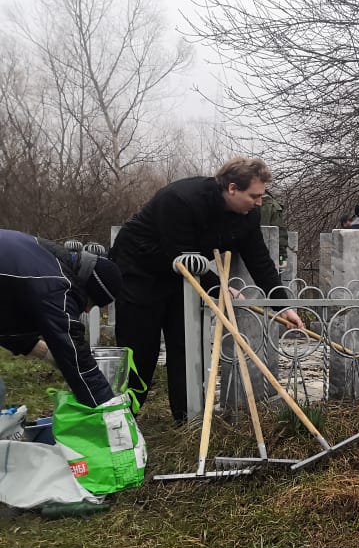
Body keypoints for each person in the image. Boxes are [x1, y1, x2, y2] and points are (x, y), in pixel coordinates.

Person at [110, 156, 304, 422]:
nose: (260, 202)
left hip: (182, 278)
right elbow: (181, 255)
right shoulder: (180, 200)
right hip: (140, 271)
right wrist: (219, 288)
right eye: (254, 196)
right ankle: (121, 420)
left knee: (187, 346)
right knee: (140, 350)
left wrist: (283, 306)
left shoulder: (248, 214)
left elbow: (259, 260)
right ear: (232, 188)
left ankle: (187, 420)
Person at [0, 230, 123, 407]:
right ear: (90, 288)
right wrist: (110, 410)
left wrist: (46, 353)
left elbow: (7, 320)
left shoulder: (47, 259)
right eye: (92, 303)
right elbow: (77, 360)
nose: (87, 310)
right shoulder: (57, 285)